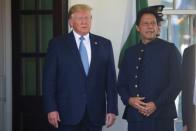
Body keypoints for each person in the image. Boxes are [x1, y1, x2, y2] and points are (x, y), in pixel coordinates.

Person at [43, 4, 118, 131]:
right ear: (71, 22)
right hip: (66, 113)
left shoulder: (104, 44)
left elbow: (110, 80)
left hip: (95, 114)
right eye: (80, 18)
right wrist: (51, 108)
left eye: (87, 18)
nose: (85, 22)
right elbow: (49, 80)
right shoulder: (57, 45)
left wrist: (112, 109)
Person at [117, 6, 182, 131]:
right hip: (135, 117)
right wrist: (130, 100)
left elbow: (177, 83)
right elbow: (121, 84)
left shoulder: (170, 49)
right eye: (145, 24)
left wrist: (156, 104)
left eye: (153, 23)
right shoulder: (130, 52)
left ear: (158, 27)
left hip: (161, 116)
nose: (150, 26)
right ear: (138, 28)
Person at [182, 18, 196, 131]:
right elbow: (185, 88)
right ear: (194, 30)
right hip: (193, 112)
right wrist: (185, 121)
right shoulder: (188, 53)